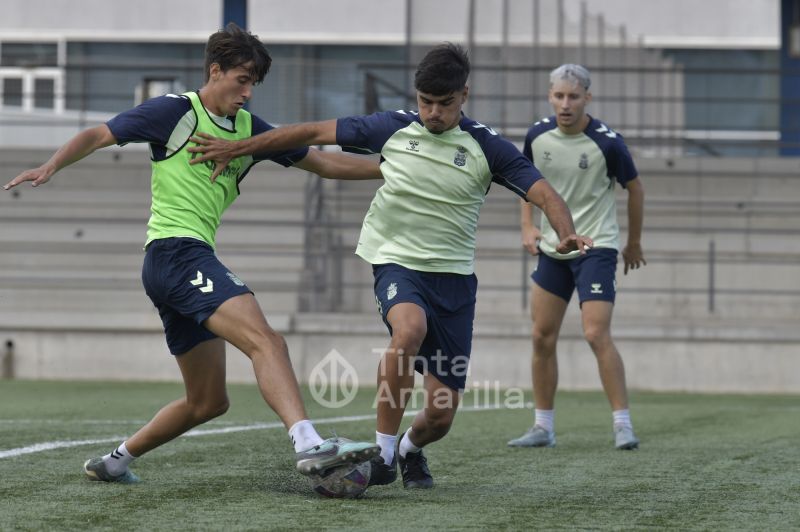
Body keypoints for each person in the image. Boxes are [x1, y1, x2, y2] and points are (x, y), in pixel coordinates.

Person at [186, 43, 593, 489]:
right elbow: (310, 131)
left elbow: (545, 193)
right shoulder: (392, 128)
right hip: (396, 262)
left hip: (454, 281)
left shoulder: (486, 146)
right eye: (425, 102)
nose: (433, 112)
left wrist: (565, 231)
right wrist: (242, 146)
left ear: (465, 96)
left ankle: (408, 449)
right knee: (408, 330)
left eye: (444, 103)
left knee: (440, 414)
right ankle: (381, 453)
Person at [3, 23, 381, 484]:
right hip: (175, 254)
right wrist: (51, 165)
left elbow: (321, 161)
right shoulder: (176, 112)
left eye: (254, 84)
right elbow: (99, 134)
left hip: (177, 264)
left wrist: (390, 170)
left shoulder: (249, 130)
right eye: (241, 79)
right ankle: (309, 443)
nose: (247, 92)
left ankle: (115, 460)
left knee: (208, 402)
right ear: (215, 70)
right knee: (267, 341)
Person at [507, 64, 645, 451]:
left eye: (573, 96)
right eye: (559, 96)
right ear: (550, 96)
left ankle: (622, 423)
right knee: (540, 336)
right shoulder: (537, 135)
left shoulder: (608, 143)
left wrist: (633, 243)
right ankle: (542, 427)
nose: (565, 104)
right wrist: (527, 226)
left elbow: (636, 189)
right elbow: (526, 183)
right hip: (554, 249)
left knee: (595, 332)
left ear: (588, 98)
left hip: (596, 248)